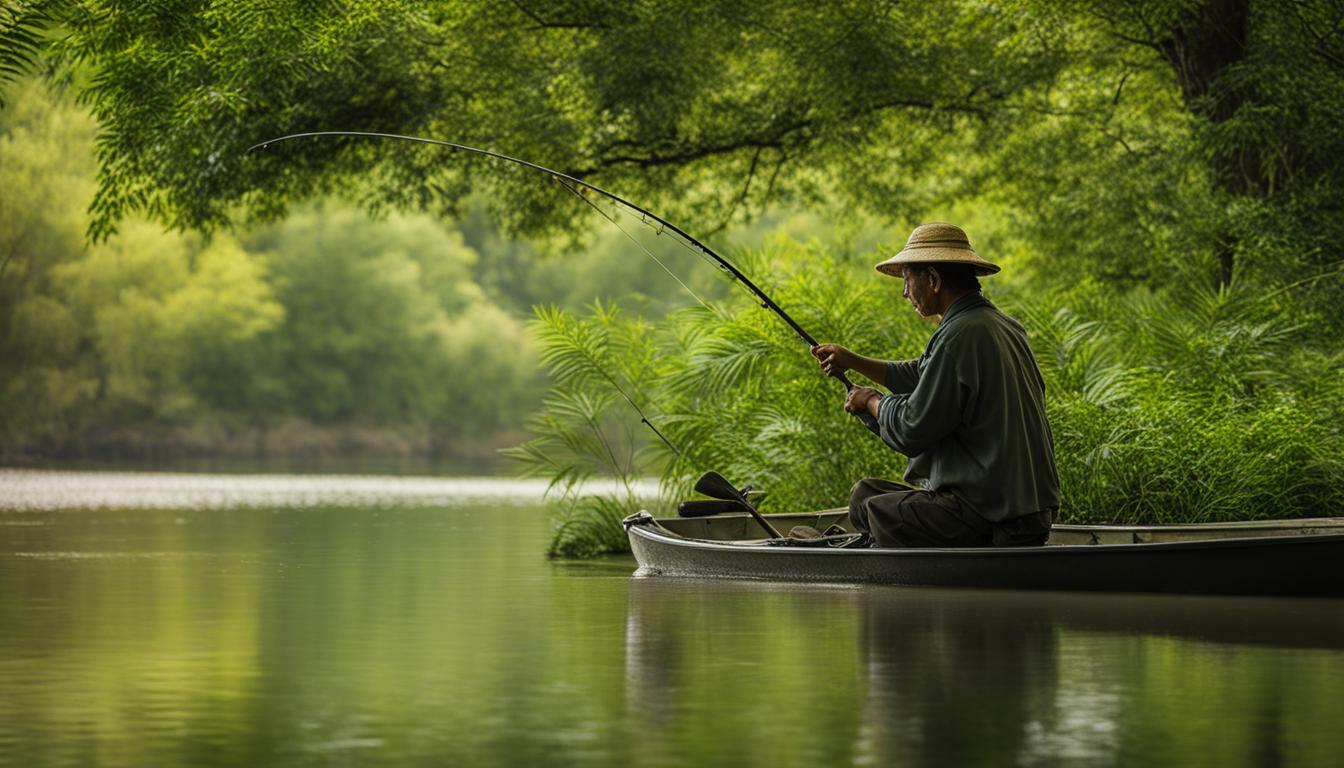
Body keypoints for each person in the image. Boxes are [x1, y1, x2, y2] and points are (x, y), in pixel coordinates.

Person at [811, 222, 1060, 548]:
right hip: (1025, 508)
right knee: (864, 495)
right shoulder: (999, 326)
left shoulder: (958, 336)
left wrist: (871, 401)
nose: (904, 292)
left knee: (878, 510)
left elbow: (913, 427)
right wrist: (852, 360)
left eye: (906, 280)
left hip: (994, 514)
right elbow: (923, 374)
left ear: (933, 279)